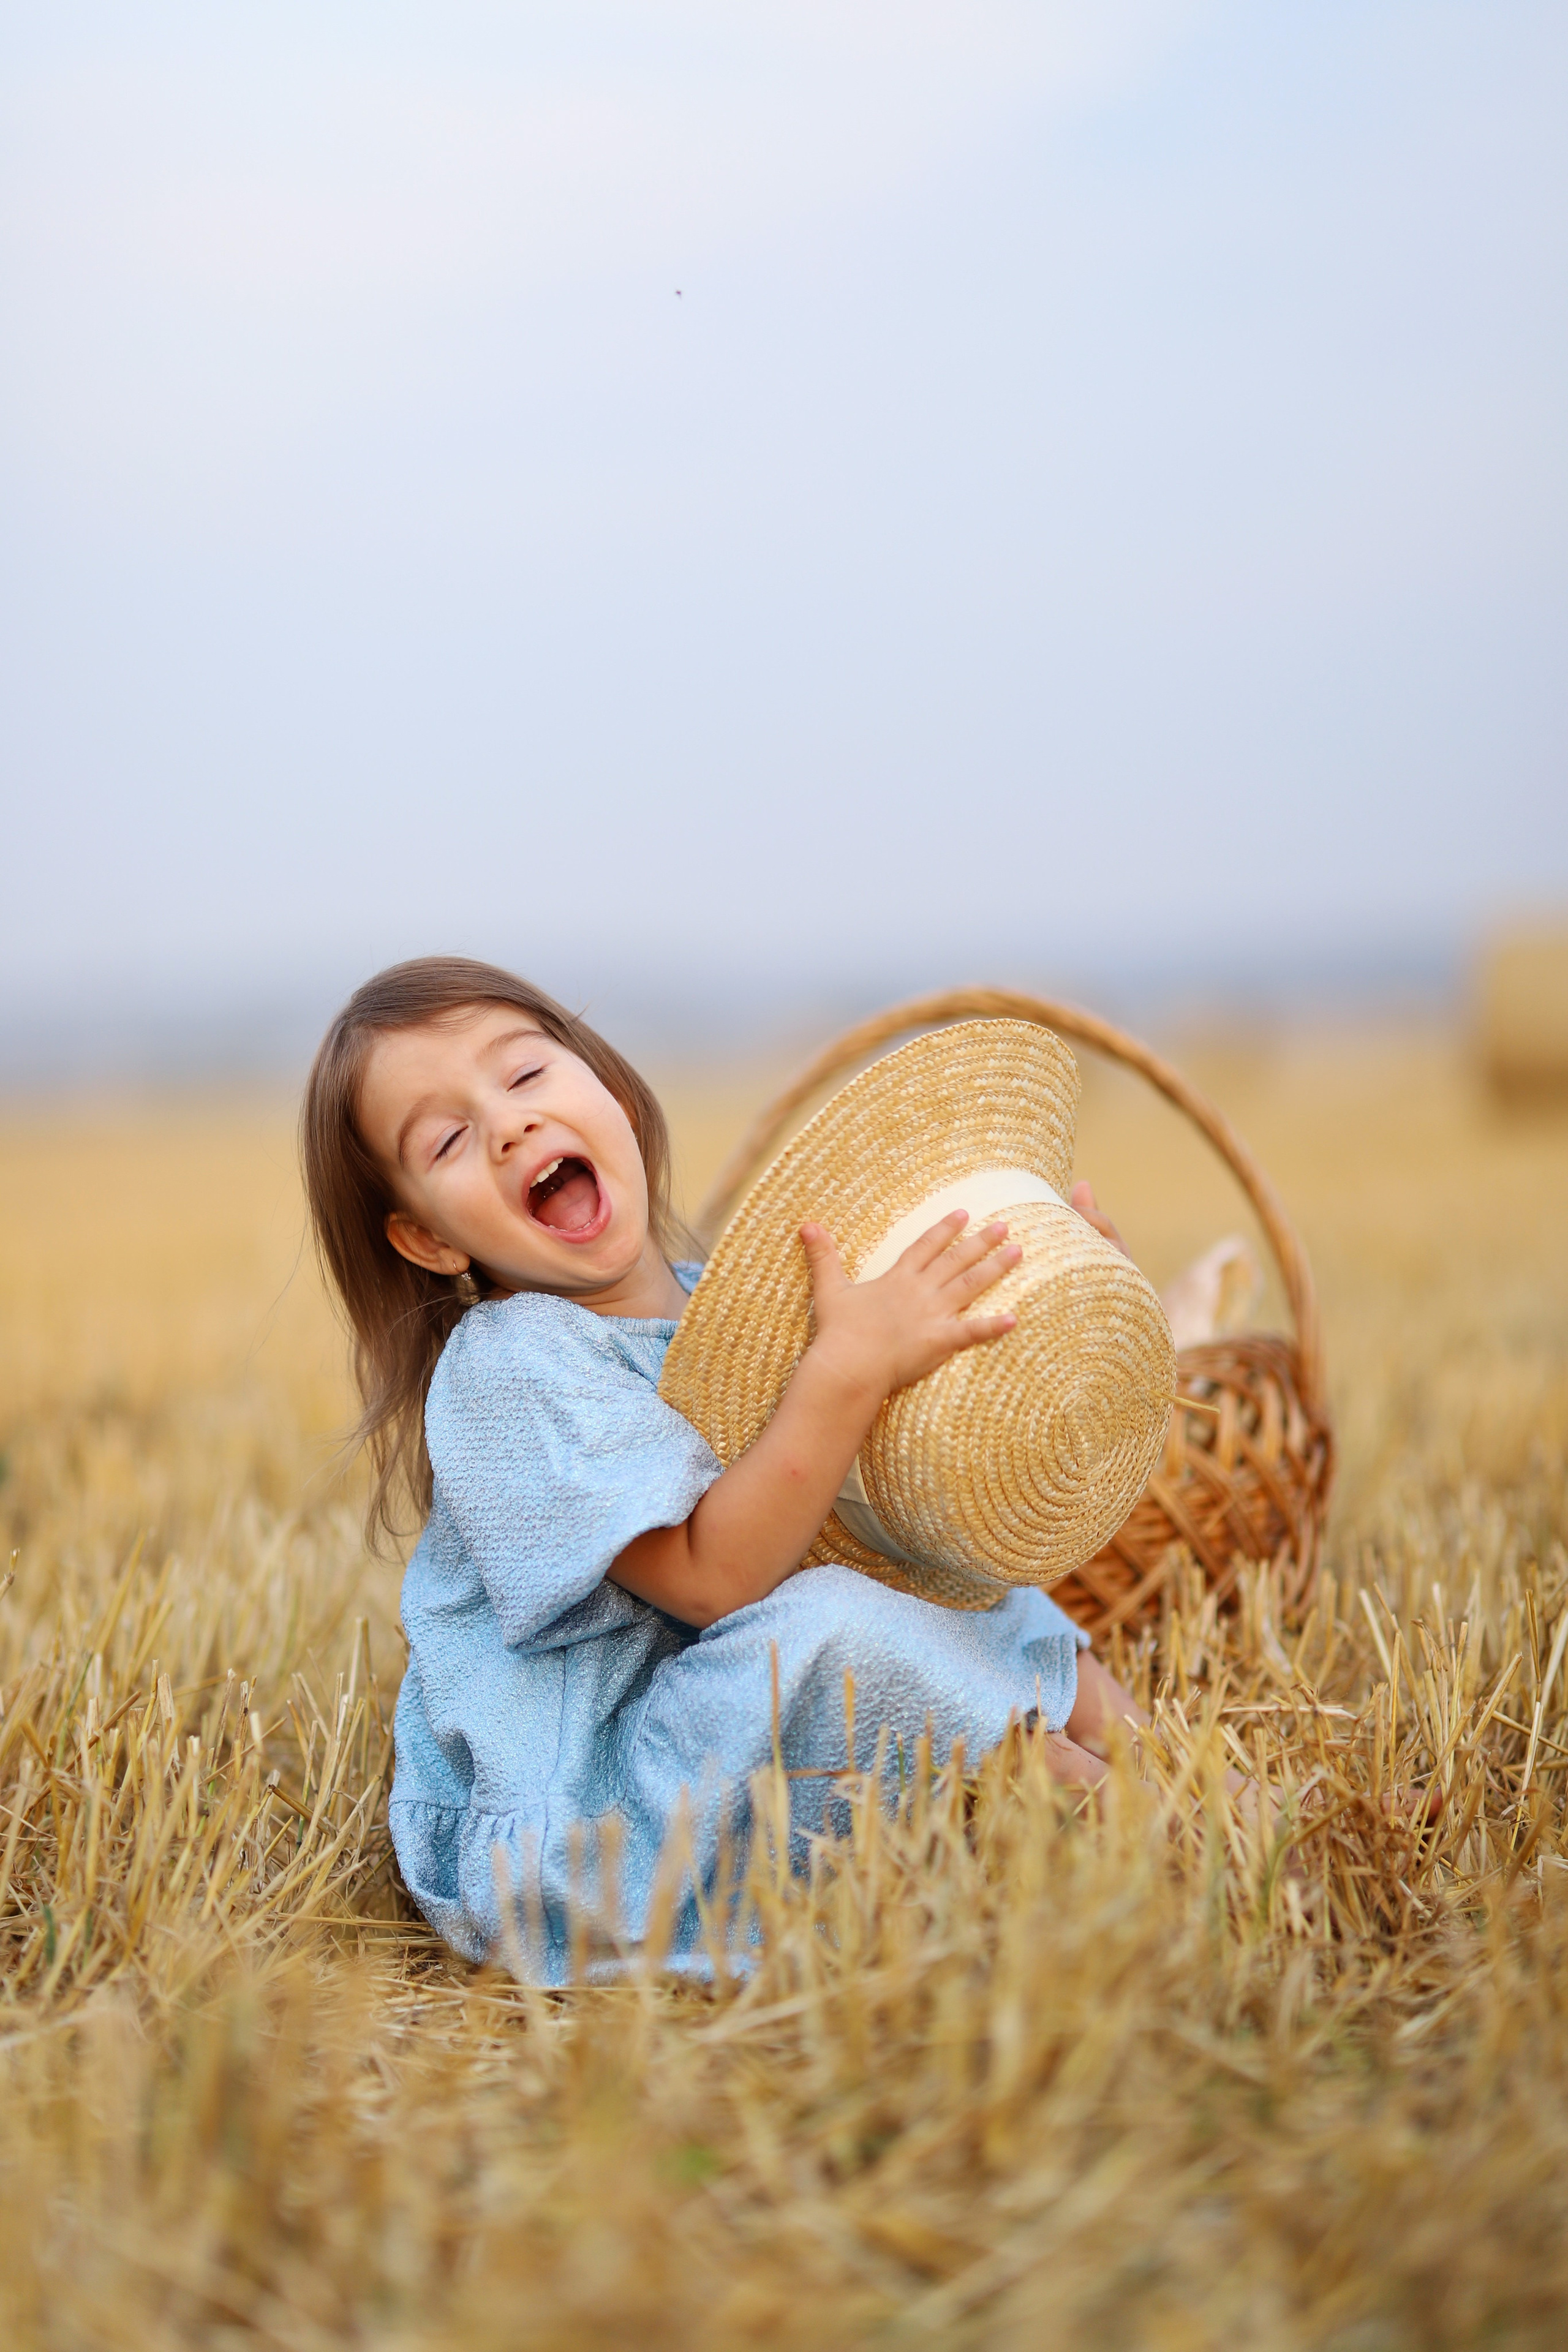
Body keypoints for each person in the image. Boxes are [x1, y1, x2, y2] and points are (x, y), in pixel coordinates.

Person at [302, 957, 1153, 1980]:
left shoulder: (738, 1322)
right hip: (603, 1832)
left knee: (974, 1594)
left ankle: (1194, 1781)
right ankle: (1133, 1832)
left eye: (526, 1077)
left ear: (609, 1093)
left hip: (745, 1760)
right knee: (837, 1628)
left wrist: (1040, 1311)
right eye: (444, 1138)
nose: (509, 1126)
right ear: (428, 1240)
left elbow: (873, 1504)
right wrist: (843, 1369)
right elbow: (715, 1579)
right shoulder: (513, 1364)